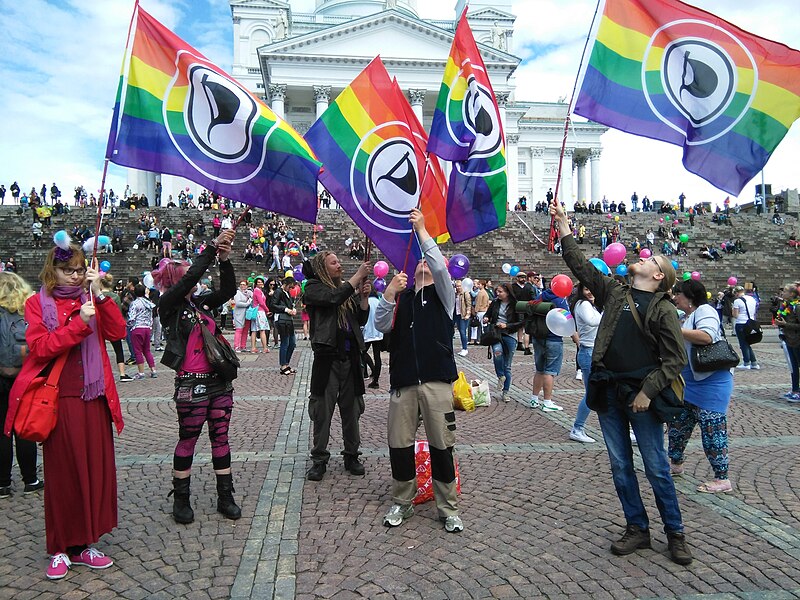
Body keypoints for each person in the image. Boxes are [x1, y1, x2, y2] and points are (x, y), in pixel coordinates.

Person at [550, 199, 692, 565]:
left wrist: (647, 391)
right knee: (620, 465)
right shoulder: (616, 292)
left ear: (659, 276)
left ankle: (675, 532)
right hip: (609, 391)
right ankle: (637, 528)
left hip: (641, 397)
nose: (641, 259)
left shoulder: (662, 309)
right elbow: (580, 266)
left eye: (650, 261)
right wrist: (564, 224)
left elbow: (675, 360)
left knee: (657, 466)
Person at [5, 239, 127, 579]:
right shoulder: (35, 304)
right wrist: (77, 325)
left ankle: (87, 542)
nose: (74, 276)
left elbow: (118, 332)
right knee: (62, 476)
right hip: (58, 400)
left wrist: (100, 295)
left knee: (95, 472)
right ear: (51, 271)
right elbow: (41, 347)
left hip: (94, 397)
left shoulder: (90, 298)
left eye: (78, 270)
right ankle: (60, 547)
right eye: (66, 270)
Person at [375, 208, 463, 533]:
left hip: (438, 380)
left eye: (427, 262)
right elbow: (381, 325)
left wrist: (423, 231)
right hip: (404, 381)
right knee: (399, 444)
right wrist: (388, 293)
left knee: (442, 445)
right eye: (420, 263)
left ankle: (448, 507)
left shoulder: (444, 295)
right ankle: (402, 501)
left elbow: (439, 265)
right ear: (411, 273)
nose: (425, 264)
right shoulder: (402, 297)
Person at [155, 228, 242, 525]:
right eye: (187, 276)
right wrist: (211, 248)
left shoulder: (201, 304)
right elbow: (191, 279)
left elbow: (228, 291)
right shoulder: (168, 305)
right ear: (175, 280)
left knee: (221, 438)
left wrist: (225, 260)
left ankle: (225, 496)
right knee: (188, 439)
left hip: (219, 383)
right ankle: (181, 499)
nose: (195, 280)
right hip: (191, 385)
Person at [302, 252, 371, 481]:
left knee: (352, 410)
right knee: (322, 410)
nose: (339, 264)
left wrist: (362, 299)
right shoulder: (313, 288)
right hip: (327, 358)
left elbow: (359, 321)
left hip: (350, 359)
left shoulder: (344, 290)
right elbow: (332, 298)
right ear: (322, 268)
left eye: (338, 261)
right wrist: (356, 278)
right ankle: (319, 459)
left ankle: (352, 455)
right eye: (334, 262)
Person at [668, 279, 734, 494]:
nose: (675, 297)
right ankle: (675, 464)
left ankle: (722, 479)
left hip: (712, 382)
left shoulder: (705, 310)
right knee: (678, 426)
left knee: (712, 430)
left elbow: (706, 337)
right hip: (689, 383)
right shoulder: (686, 316)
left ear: (689, 296)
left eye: (678, 294)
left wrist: (675, 330)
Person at [0, 272, 44, 499]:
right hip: (24, 377)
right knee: (24, 429)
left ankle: (3, 483)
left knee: (1, 432)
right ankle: (30, 479)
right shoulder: (26, 314)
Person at [529, 279, 572, 412]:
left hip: (538, 337)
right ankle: (547, 402)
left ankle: (534, 399)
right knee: (550, 371)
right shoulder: (560, 301)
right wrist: (575, 338)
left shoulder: (541, 295)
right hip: (553, 338)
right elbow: (568, 319)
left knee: (540, 369)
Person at [570, 282, 601, 443]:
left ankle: (620, 429)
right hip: (589, 352)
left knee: (603, 394)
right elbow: (592, 321)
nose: (590, 292)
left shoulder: (593, 305)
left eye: (592, 288)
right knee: (592, 394)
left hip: (596, 352)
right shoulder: (583, 304)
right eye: (586, 289)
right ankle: (577, 428)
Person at [483, 283, 522, 402]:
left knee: (507, 366)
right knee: (497, 352)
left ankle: (505, 392)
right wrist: (486, 318)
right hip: (497, 333)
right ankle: (501, 376)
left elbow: (521, 322)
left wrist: (507, 325)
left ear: (508, 293)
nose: (497, 294)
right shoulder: (495, 302)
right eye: (497, 292)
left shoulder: (516, 305)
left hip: (510, 335)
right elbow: (488, 314)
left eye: (500, 292)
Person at [774, 283, 800, 402]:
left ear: (792, 294)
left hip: (797, 340)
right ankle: (795, 389)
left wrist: (786, 324)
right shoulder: (785, 305)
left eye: (784, 291)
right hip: (789, 339)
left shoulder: (797, 306)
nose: (782, 293)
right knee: (793, 366)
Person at [127, 284, 157, 379]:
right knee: (147, 350)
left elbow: (131, 318)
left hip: (137, 328)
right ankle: (153, 370)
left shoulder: (134, 303)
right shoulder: (148, 303)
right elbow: (151, 316)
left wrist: (128, 325)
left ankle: (141, 372)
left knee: (138, 351)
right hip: (147, 328)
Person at [271, 276, 298, 375]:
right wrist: (286, 309)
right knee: (285, 342)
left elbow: (290, 305)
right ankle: (283, 365)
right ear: (285, 284)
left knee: (292, 343)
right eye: (290, 287)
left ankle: (286, 363)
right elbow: (273, 305)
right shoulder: (278, 292)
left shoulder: (287, 293)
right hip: (282, 320)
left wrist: (292, 309)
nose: (290, 289)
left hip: (288, 320)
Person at [360, 282, 384, 389]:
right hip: (378, 332)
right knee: (377, 355)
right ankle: (376, 379)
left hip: (368, 331)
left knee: (362, 353)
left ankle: (369, 372)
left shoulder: (367, 301)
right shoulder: (379, 301)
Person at [732, 286, 760, 370]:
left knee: (743, 343)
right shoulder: (752, 299)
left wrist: (732, 309)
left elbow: (735, 315)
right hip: (750, 323)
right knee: (748, 343)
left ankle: (746, 362)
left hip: (741, 323)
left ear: (737, 293)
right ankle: (753, 362)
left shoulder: (737, 301)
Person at [249, 277, 270, 353]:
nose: (260, 283)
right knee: (262, 330)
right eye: (258, 282)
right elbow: (261, 302)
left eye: (261, 282)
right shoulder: (257, 291)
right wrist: (267, 310)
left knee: (254, 330)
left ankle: (253, 347)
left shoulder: (257, 291)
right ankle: (265, 348)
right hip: (260, 311)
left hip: (256, 311)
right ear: (256, 283)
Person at [232, 280, 252, 352]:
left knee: (245, 330)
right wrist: (247, 303)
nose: (242, 286)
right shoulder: (238, 293)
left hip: (247, 314)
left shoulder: (248, 293)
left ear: (247, 286)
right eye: (241, 284)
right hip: (239, 314)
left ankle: (243, 346)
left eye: (244, 284)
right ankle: (236, 346)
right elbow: (238, 303)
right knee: (239, 329)